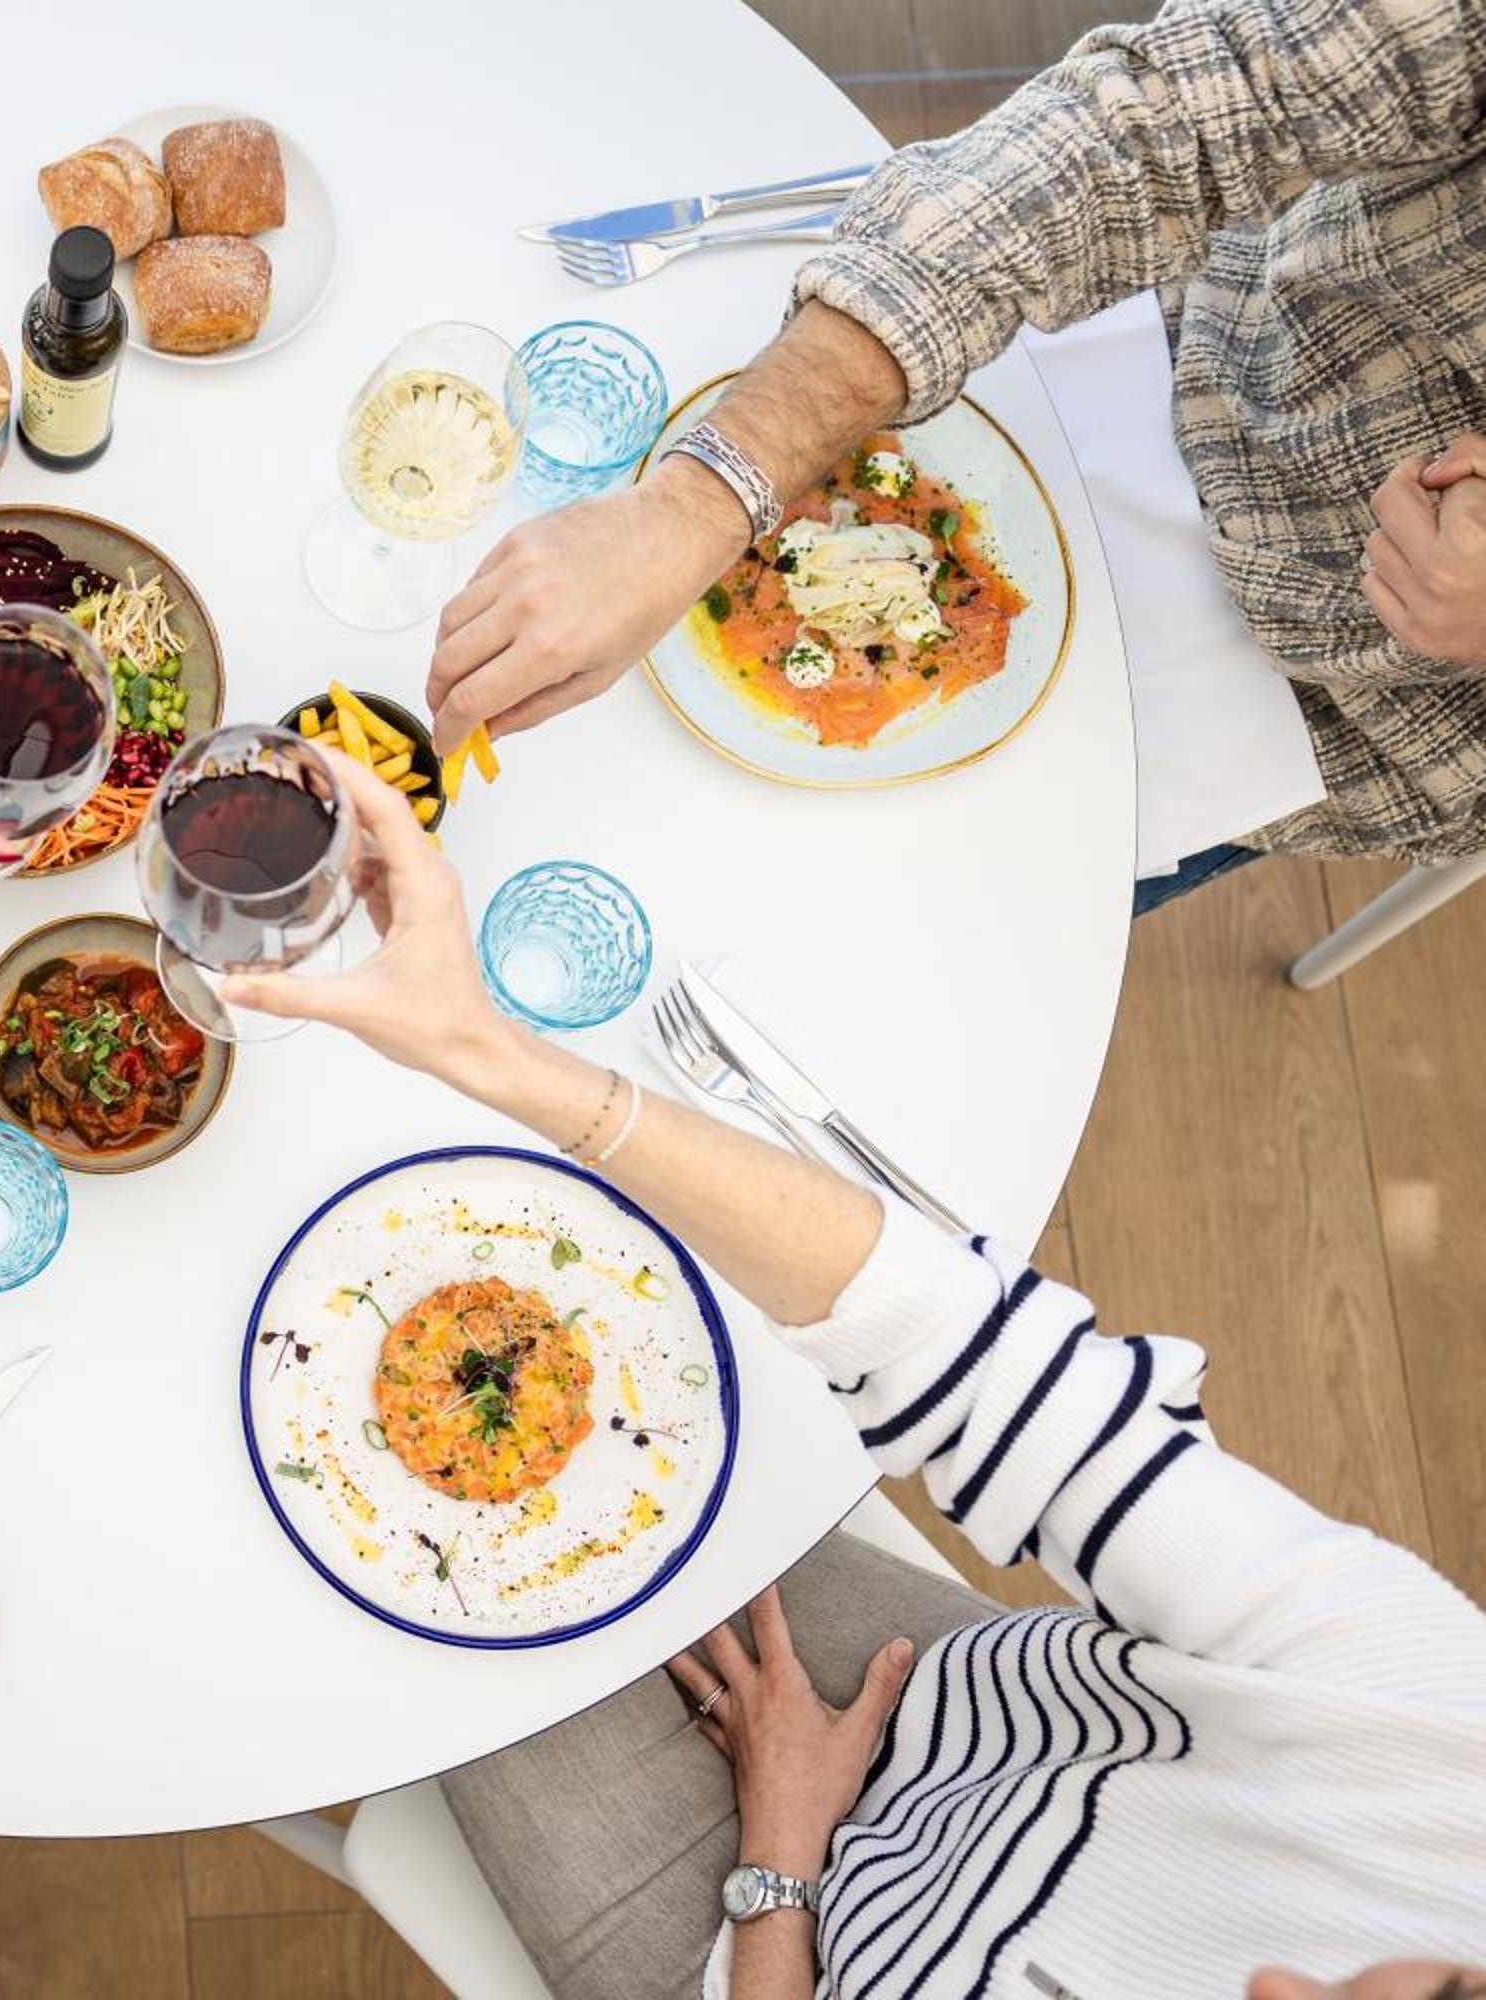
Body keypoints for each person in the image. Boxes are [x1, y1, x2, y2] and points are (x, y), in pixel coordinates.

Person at [226, 760, 1486, 1999]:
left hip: (739, 1956)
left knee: (381, 1595)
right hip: (954, 1711)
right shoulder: (1442, 1741)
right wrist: (504, 1061)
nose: (1277, 1984)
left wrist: (783, 1861)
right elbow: (995, 1374)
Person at [428, 0, 1486, 909]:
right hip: (1171, 337)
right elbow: (1161, 119)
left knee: (840, 911)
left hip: (1345, 719)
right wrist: (697, 504)